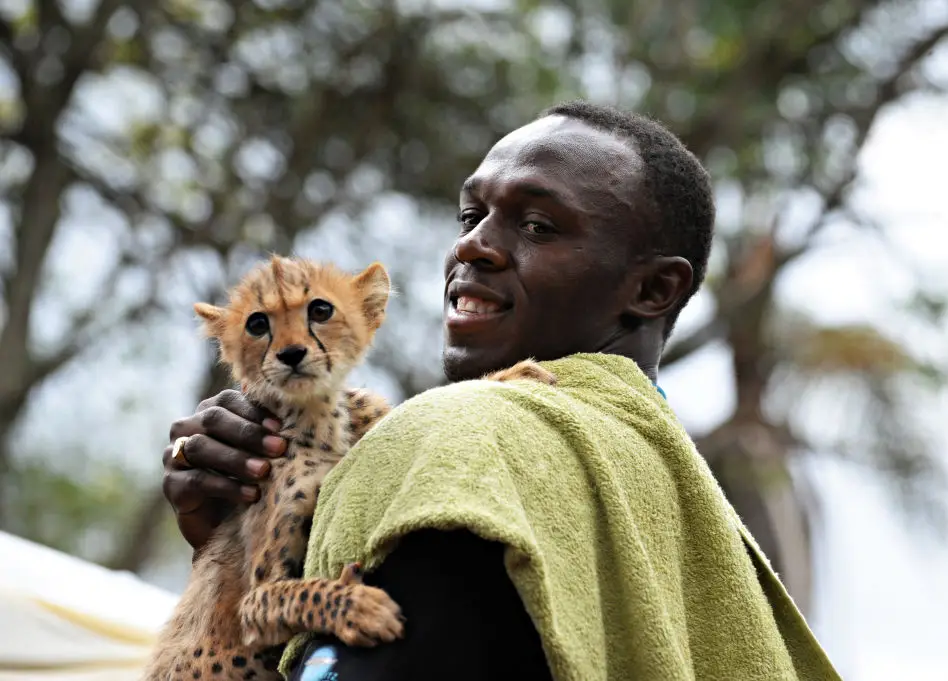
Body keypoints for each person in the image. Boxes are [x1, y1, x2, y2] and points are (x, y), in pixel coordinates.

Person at [162, 101, 842, 681]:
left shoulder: (472, 440)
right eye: (469, 216)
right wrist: (232, 547)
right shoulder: (663, 484)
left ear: (653, 288)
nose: (472, 248)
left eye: (538, 225)